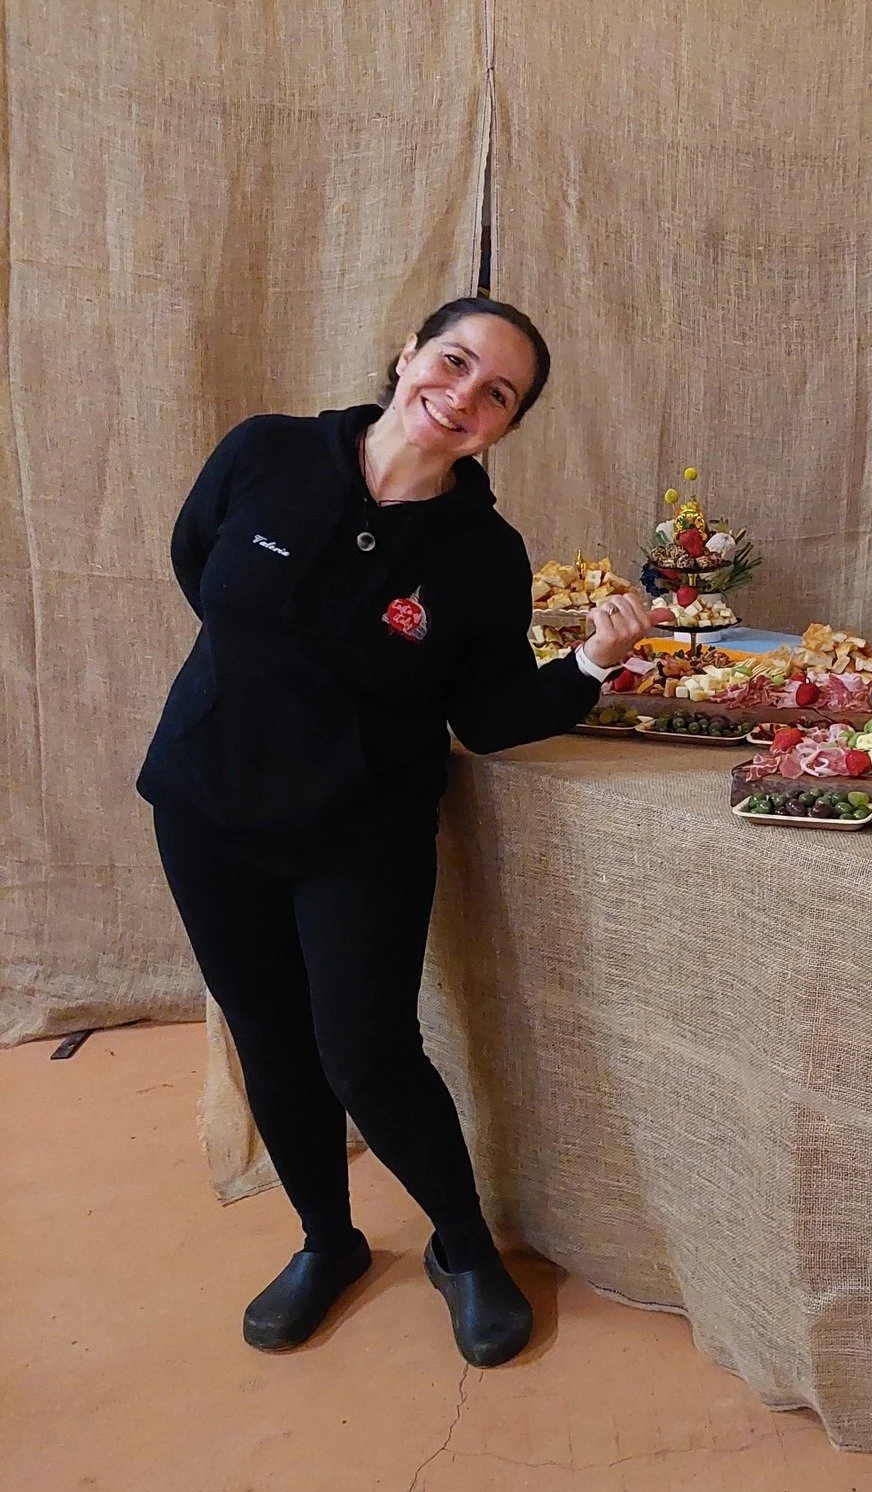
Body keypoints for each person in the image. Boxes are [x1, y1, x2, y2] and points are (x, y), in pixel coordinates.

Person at [138, 296, 651, 1367]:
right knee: (269, 1041)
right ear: (409, 352)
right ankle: (327, 1243)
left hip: (358, 835)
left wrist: (590, 668)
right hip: (207, 807)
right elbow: (202, 571)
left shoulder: (481, 553)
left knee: (367, 1053)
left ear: (507, 425)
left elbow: (488, 716)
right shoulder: (265, 454)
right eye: (454, 361)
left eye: (496, 392)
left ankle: (464, 1252)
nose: (461, 396)